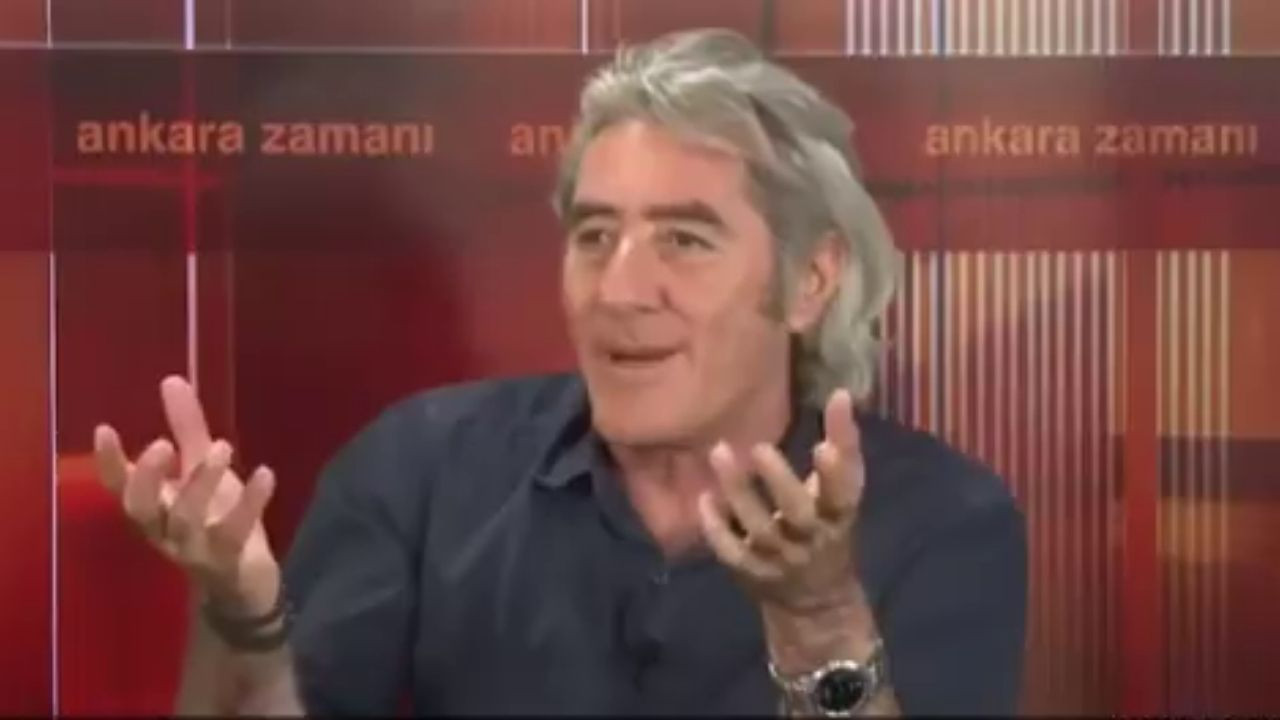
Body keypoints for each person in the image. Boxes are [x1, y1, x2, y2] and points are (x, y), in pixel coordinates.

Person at [93, 28, 1026, 716]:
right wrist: (244, 617)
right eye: (594, 235)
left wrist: (820, 620)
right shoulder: (422, 470)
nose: (619, 290)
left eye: (685, 239)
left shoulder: (945, 519)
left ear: (810, 280)